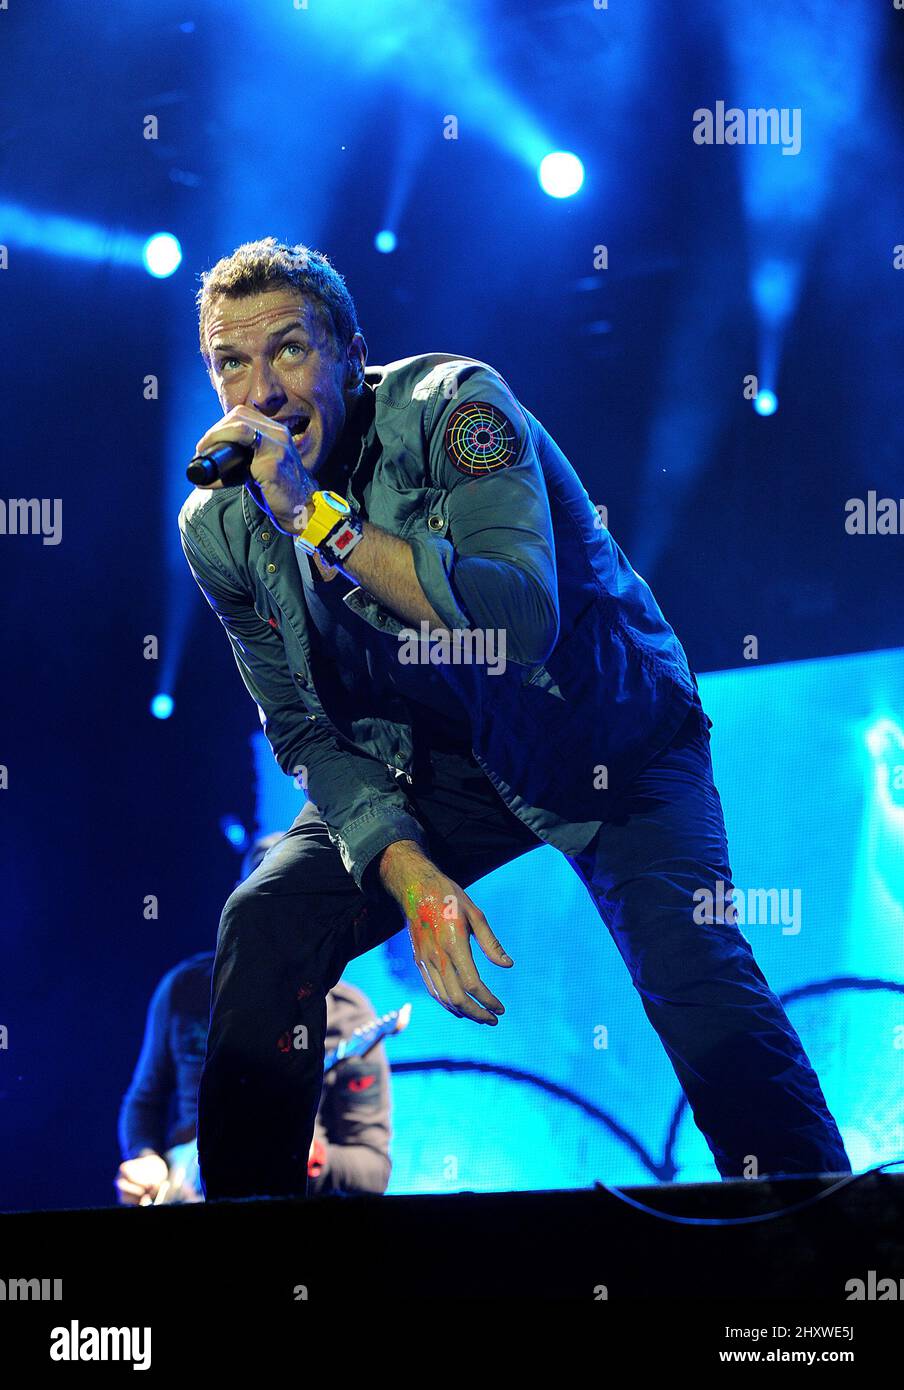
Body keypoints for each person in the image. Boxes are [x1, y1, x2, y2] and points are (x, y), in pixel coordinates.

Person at [178, 236, 851, 1198]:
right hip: (430, 762)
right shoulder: (219, 528)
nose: (264, 392)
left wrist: (319, 518)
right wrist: (409, 874)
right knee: (267, 920)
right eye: (229, 363)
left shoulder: (459, 408)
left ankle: (823, 1243)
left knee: (693, 979)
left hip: (598, 734)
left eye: (288, 350)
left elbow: (517, 621)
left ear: (349, 352)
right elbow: (305, 731)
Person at [114, 834, 391, 1204]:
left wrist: (316, 1158)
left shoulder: (349, 1013)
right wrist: (146, 1160)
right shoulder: (185, 989)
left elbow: (373, 1169)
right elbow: (145, 1100)